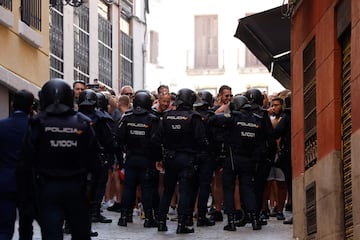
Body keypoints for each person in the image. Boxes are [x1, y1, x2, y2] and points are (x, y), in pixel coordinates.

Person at [16, 79, 97, 240]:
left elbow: (25, 162)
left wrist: (27, 196)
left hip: (47, 188)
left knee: (51, 234)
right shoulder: (83, 124)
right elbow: (95, 163)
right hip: (76, 188)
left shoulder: (37, 124)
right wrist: (90, 192)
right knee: (81, 234)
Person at [156, 88, 208, 234]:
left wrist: (160, 157)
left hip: (170, 158)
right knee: (185, 192)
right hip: (187, 158)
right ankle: (182, 224)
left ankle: (161, 222)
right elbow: (201, 140)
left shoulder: (166, 116)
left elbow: (156, 139)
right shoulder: (194, 117)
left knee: (168, 191)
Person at [115, 90, 162, 228]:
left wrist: (125, 151)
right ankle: (148, 219)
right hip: (147, 160)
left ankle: (124, 217)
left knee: (128, 188)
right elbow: (156, 141)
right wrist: (158, 158)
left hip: (131, 158)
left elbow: (118, 138)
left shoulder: (127, 117)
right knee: (147, 189)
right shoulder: (153, 119)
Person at [0, 90, 34, 240]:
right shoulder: (35, 127)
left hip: (4, 182)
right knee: (26, 226)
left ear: (12, 104)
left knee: (4, 227)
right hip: (28, 183)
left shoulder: (2, 126)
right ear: (31, 107)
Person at [78, 89, 114, 225]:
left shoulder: (74, 117)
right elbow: (109, 139)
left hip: (80, 158)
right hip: (98, 157)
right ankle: (94, 212)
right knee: (98, 186)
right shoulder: (102, 117)